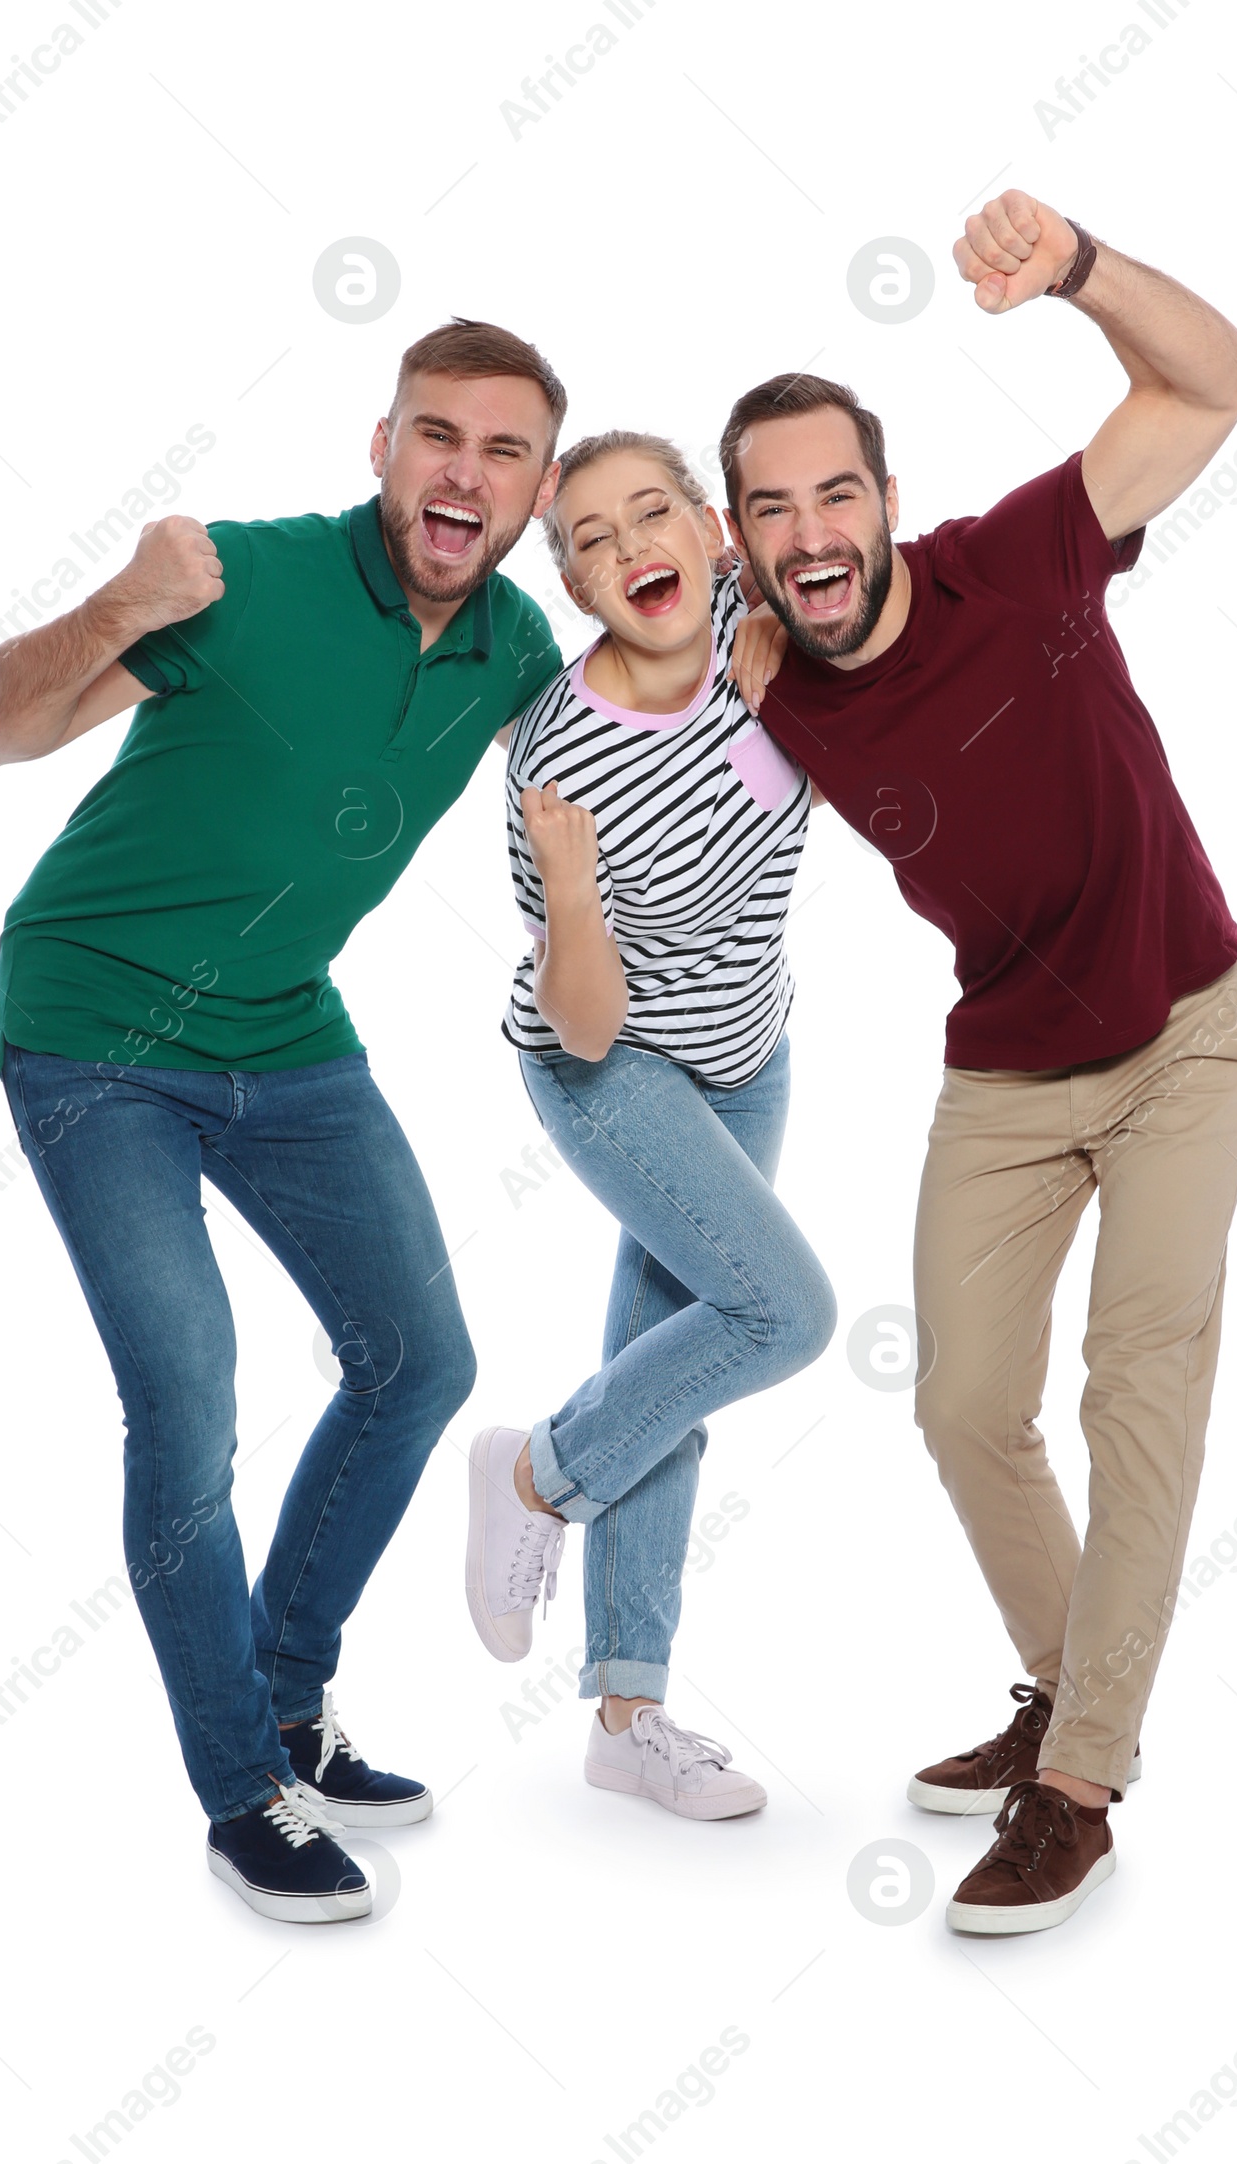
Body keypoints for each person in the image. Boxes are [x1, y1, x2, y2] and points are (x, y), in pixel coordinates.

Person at [0, 320, 568, 1923]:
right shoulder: (239, 577)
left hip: (285, 1033)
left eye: (505, 453)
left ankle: (291, 1693)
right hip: (93, 1029)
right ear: (381, 444)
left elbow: (635, 746)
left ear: (538, 489)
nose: (464, 473)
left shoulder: (512, 648)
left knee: (421, 1361)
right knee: (193, 1397)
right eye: (440, 436)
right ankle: (241, 1789)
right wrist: (115, 602)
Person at [725, 192, 1237, 1931]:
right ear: (746, 544)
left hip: (1186, 1031)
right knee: (962, 1402)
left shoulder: (1018, 557)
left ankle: (1083, 1780)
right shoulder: (774, 690)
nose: (810, 533)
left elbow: (1223, 380)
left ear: (884, 502)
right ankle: (1064, 1686)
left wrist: (1089, 276)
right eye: (770, 509)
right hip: (1008, 1075)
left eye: (834, 493)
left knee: (1140, 1380)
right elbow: (608, 642)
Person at [463, 430, 836, 1818]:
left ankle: (628, 1718)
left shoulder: (763, 611)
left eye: (652, 516)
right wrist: (569, 889)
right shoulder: (560, 765)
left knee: (669, 1366)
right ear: (575, 585)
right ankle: (536, 1476)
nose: (632, 551)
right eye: (595, 541)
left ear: (710, 528)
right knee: (779, 1317)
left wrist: (786, 644)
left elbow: (884, 605)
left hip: (750, 1053)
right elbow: (589, 1025)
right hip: (605, 1066)